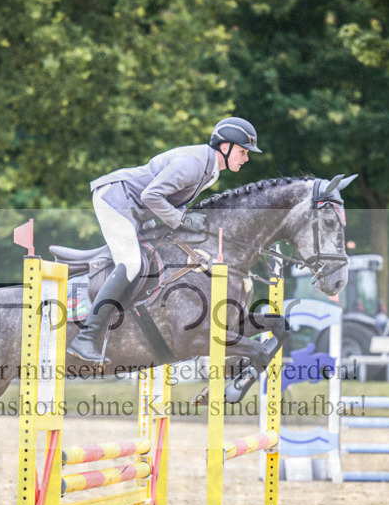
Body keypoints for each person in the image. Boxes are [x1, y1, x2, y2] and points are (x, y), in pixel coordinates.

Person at [67, 117, 262, 364]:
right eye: (243, 151)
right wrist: (180, 221)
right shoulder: (193, 164)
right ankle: (86, 336)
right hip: (116, 199)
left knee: (155, 258)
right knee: (132, 264)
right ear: (225, 147)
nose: (245, 158)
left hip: (139, 208)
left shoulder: (210, 171)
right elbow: (152, 195)